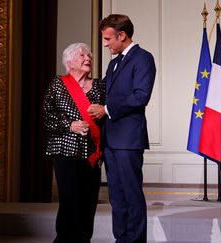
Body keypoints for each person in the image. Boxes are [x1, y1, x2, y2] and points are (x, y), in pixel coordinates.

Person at [87, 14, 156, 243]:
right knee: (116, 197)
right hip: (111, 140)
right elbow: (104, 90)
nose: (105, 44)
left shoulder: (143, 58)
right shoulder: (114, 63)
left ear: (122, 35)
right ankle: (122, 239)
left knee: (131, 194)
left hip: (128, 140)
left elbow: (140, 96)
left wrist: (106, 110)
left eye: (108, 39)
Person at [42, 42, 105, 243]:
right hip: (64, 150)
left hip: (91, 152)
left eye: (89, 56)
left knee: (89, 201)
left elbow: (107, 115)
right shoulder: (58, 83)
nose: (88, 59)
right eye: (82, 56)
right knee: (70, 201)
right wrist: (70, 125)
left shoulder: (99, 85)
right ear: (70, 62)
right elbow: (46, 115)